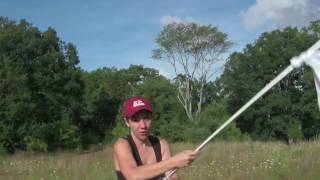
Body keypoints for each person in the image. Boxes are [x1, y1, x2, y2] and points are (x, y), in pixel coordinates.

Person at [114, 96, 197, 180]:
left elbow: (172, 175)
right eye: (136, 120)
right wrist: (174, 161)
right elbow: (133, 175)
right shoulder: (122, 145)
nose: (143, 125)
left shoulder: (161, 144)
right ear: (127, 122)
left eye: (147, 118)